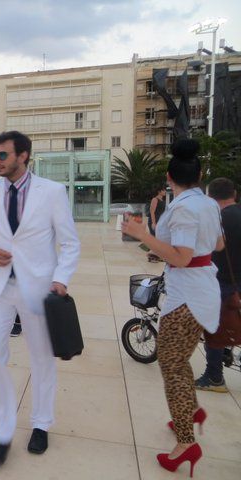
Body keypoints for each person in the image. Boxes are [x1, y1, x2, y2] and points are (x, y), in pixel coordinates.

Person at [0, 131, 80, 465]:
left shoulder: (52, 192)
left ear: (23, 156)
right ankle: (2, 431)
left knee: (41, 359)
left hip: (39, 288)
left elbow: (70, 242)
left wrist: (60, 279)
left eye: (3, 155)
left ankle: (41, 423)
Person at [122, 138, 223, 477]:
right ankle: (190, 413)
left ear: (169, 177)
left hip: (187, 297)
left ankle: (186, 442)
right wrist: (159, 241)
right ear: (200, 174)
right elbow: (218, 244)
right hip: (203, 289)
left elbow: (181, 257)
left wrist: (142, 234)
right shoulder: (208, 203)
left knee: (172, 366)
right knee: (179, 360)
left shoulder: (183, 209)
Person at [194, 177, 240, 393]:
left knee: (214, 330)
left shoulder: (216, 219)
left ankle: (214, 377)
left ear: (210, 198)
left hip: (222, 283)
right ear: (234, 194)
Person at [147, 187, 167, 262]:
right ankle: (151, 257)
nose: (165, 191)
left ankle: (157, 256)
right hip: (154, 221)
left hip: (159, 222)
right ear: (159, 191)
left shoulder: (162, 200)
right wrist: (153, 223)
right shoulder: (155, 199)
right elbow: (152, 212)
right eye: (163, 190)